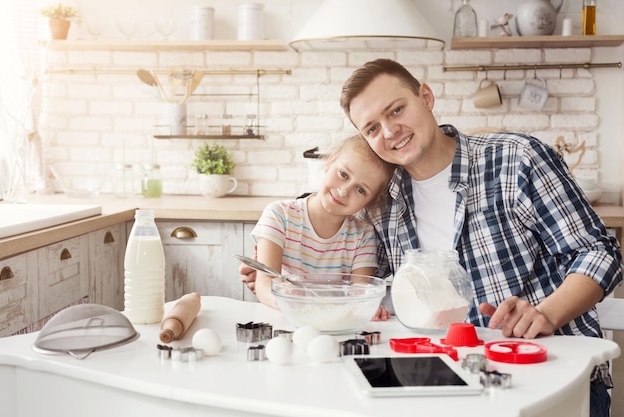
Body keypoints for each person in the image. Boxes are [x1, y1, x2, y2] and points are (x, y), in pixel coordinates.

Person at [242, 58, 622, 416]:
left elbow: (598, 251)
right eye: (372, 128)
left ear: (425, 97)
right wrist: (282, 262)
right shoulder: (383, 200)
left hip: (548, 373)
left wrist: (544, 313)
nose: (390, 132)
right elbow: (366, 280)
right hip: (441, 380)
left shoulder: (517, 160)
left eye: (396, 110)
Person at [250, 133, 395, 315]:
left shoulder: (363, 235)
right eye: (343, 174)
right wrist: (285, 299)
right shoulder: (279, 215)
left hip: (334, 322)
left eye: (361, 190)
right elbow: (264, 283)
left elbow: (360, 292)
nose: (343, 191)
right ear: (329, 162)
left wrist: (366, 307)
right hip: (284, 317)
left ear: (371, 201)